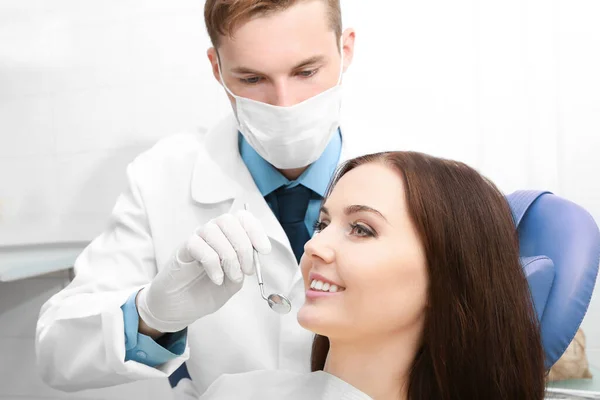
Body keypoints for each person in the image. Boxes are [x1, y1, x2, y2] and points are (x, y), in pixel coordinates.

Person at [35, 0, 359, 398]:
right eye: (252, 78)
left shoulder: (417, 175)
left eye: (306, 71)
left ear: (345, 50)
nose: (285, 103)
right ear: (217, 68)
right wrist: (151, 314)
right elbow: (57, 352)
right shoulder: (161, 177)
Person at [196, 151, 546, 400]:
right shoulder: (236, 392)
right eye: (323, 224)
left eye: (361, 229)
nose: (313, 246)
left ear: (445, 275)